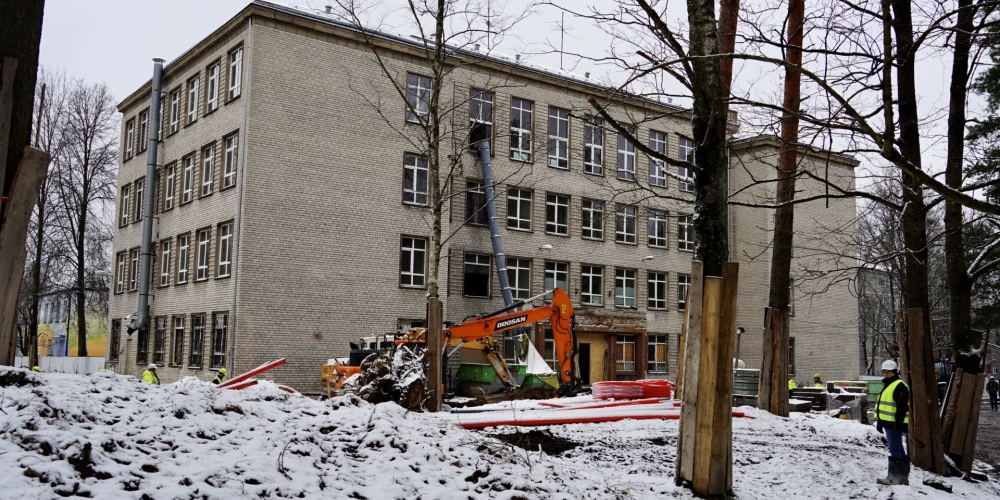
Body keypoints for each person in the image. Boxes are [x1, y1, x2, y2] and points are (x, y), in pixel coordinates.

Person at [875, 359, 909, 485]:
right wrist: (880, 422)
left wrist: (899, 424)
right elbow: (883, 406)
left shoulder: (899, 386)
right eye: (884, 372)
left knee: (894, 450)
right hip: (889, 423)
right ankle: (903, 477)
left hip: (894, 424)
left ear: (895, 372)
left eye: (888, 372)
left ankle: (894, 478)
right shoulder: (889, 385)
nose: (886, 374)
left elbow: (902, 407)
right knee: (899, 449)